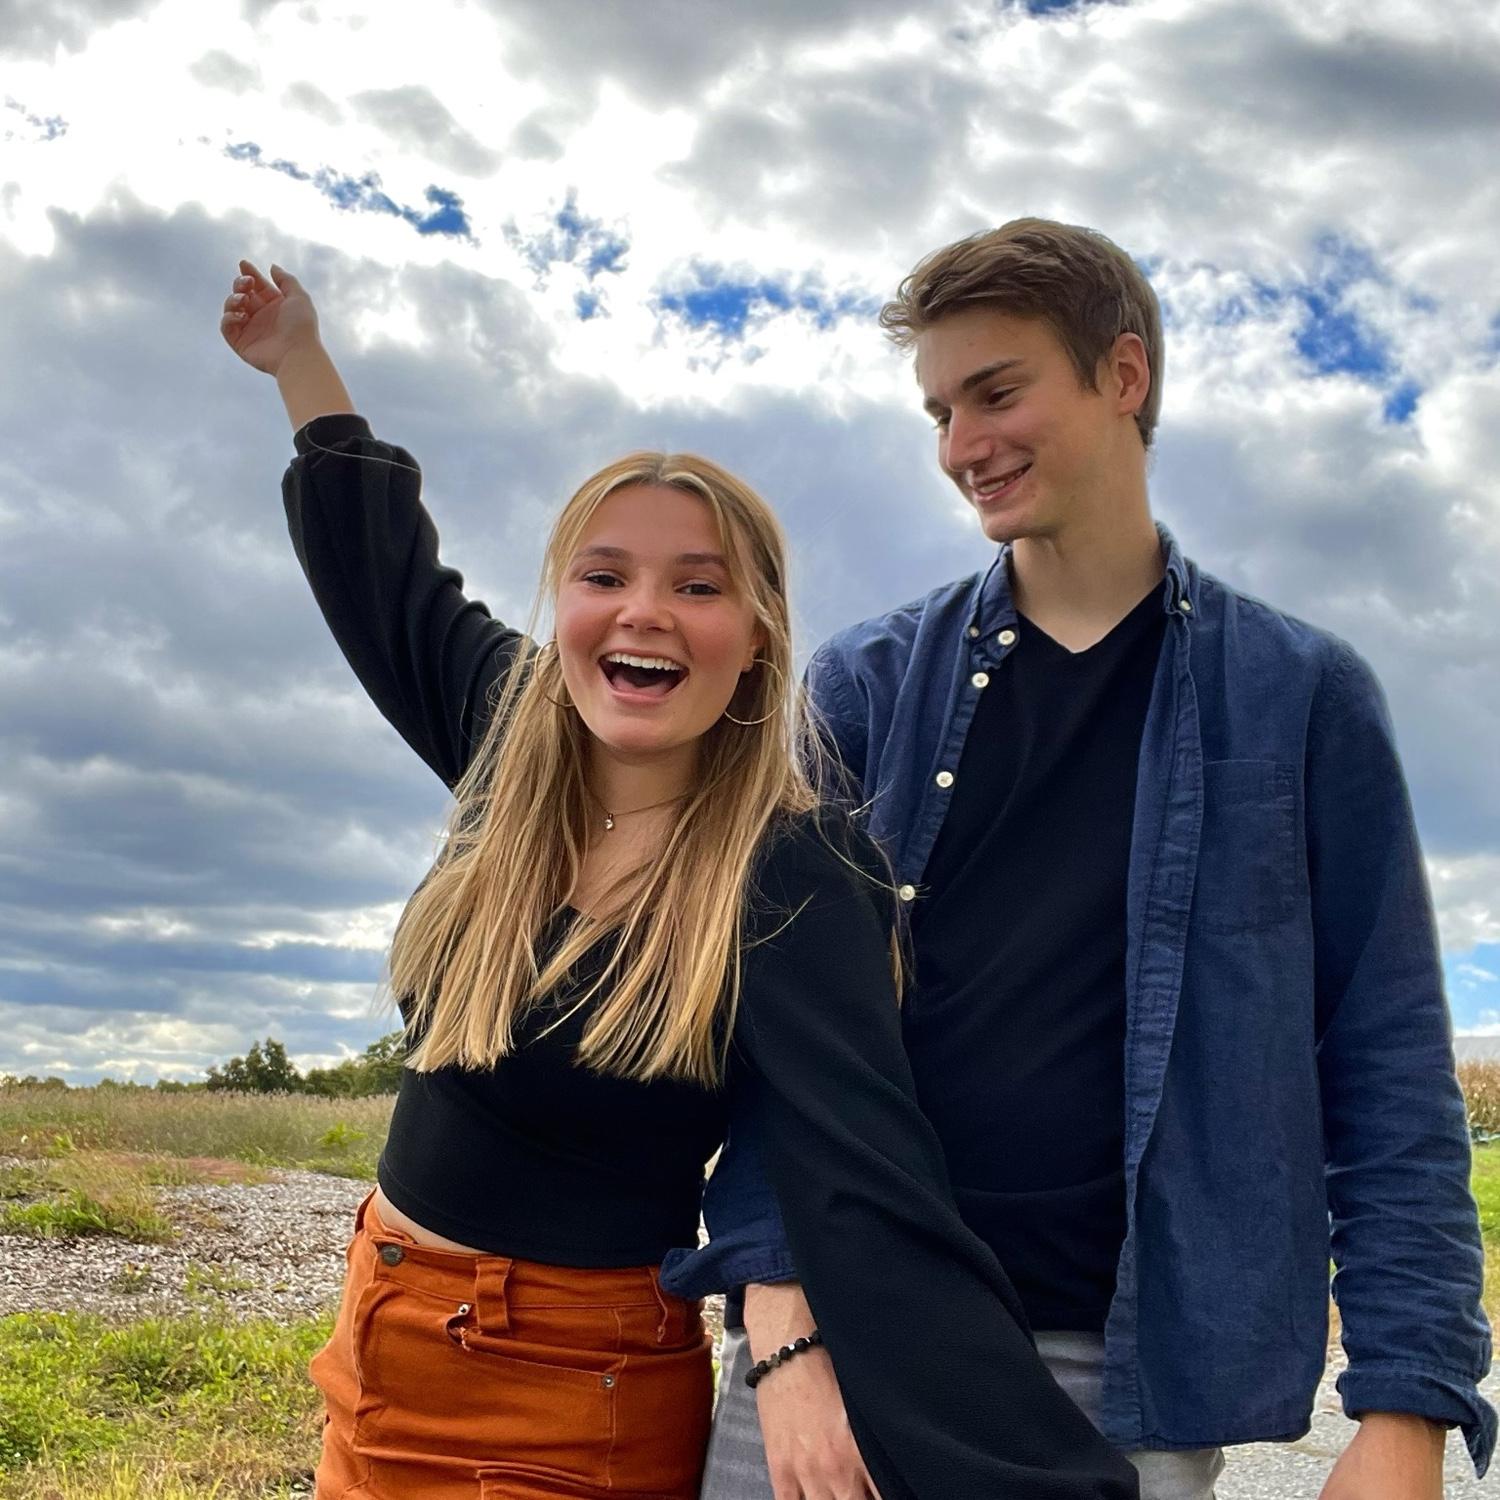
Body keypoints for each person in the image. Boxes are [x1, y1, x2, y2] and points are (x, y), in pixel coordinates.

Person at [218, 259, 1142, 1500]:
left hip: (570, 1388)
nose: (643, 611)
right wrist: (299, 361)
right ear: (565, 606)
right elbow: (381, 575)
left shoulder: (792, 871)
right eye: (605, 576)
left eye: (696, 586)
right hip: (379, 1332)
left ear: (756, 636)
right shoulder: (509, 732)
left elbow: (863, 1170)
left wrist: (1014, 1462)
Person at [670, 218, 1496, 1500]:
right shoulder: (866, 687)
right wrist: (781, 1329)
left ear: (1124, 375)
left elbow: (1385, 1064)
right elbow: (785, 1038)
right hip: (849, 1338)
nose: (961, 447)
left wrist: (1407, 1412)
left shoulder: (1302, 697)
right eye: (940, 410)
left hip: (1126, 1379)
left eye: (997, 392)